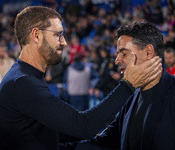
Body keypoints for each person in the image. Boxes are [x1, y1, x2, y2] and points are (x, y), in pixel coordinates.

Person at [0, 6, 162, 150]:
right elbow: (83, 127)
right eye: (57, 34)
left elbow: (55, 136)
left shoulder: (24, 76)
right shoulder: (23, 82)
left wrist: (112, 135)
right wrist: (128, 85)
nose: (64, 42)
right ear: (36, 35)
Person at [67, 22, 175, 150]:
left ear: (148, 52)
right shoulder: (131, 94)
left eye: (124, 53)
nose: (117, 60)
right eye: (118, 53)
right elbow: (108, 141)